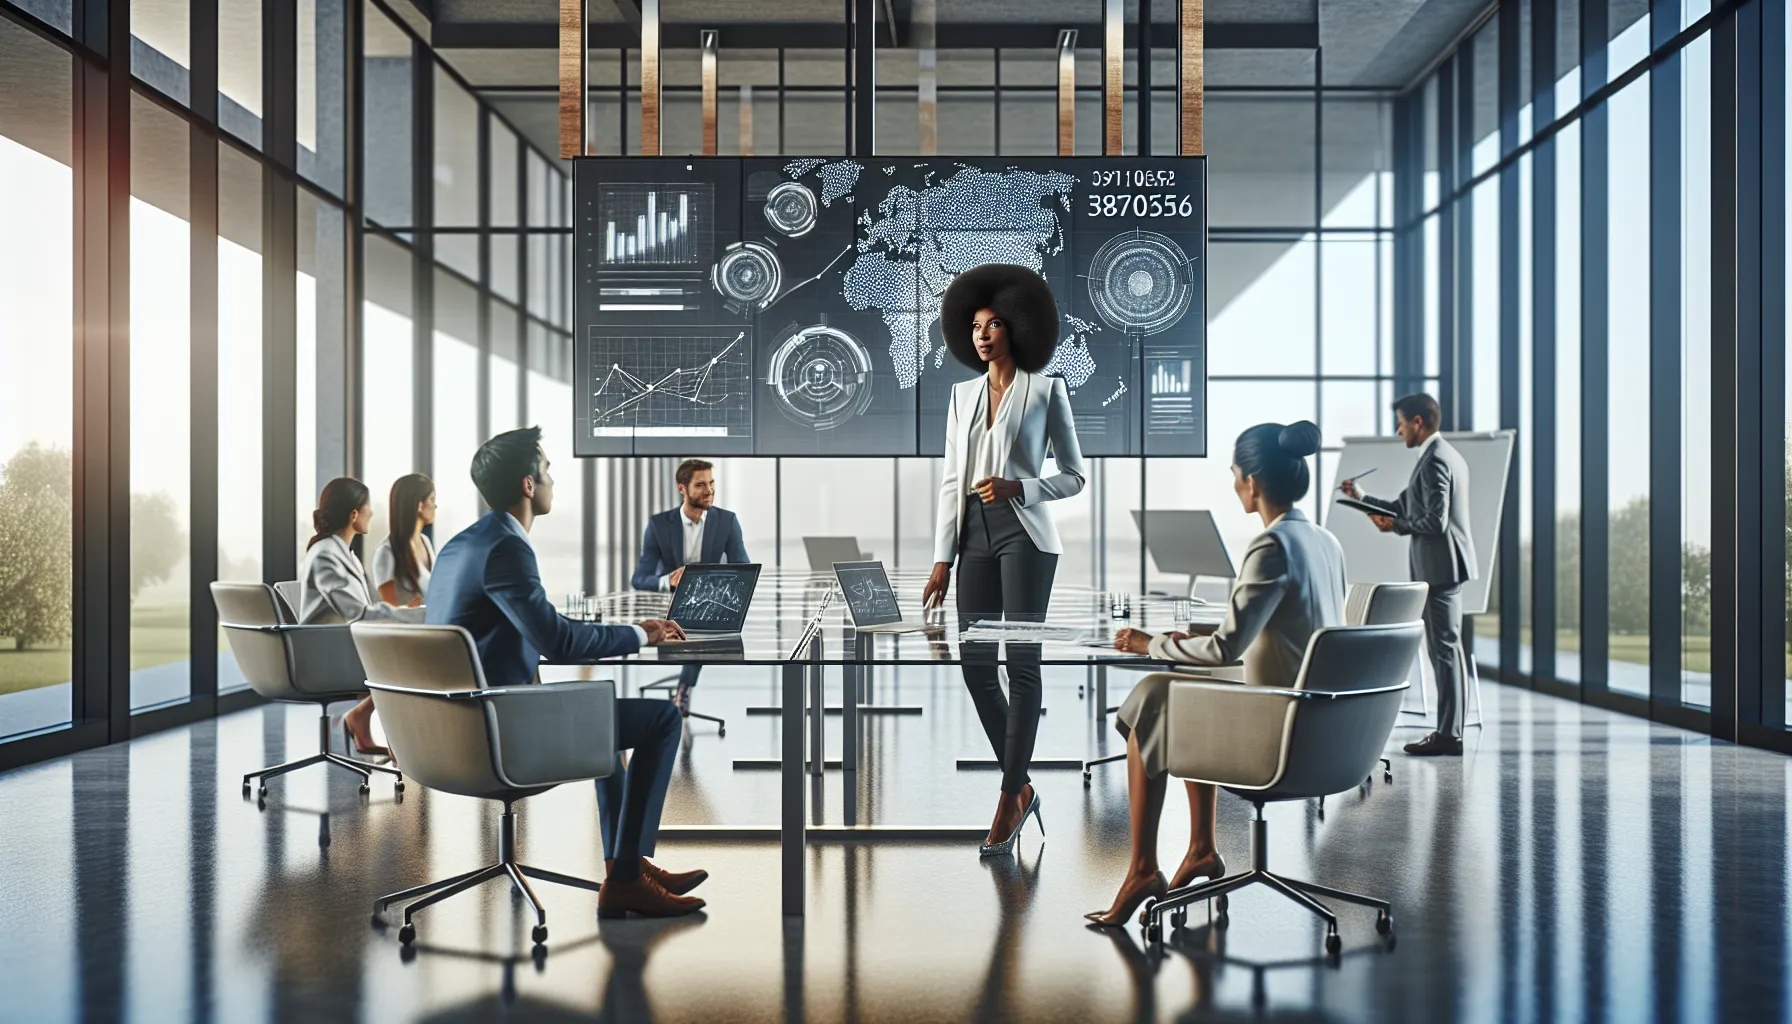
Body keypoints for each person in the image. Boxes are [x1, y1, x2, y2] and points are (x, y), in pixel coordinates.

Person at [426, 426, 706, 918]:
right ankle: (624, 879)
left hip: (455, 726)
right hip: (502, 731)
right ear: (529, 485)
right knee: (662, 720)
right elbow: (557, 641)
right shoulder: (507, 549)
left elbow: (539, 627)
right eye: (548, 470)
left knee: (603, 723)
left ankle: (629, 867)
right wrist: (642, 634)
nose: (552, 478)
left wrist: (617, 629)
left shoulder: (461, 545)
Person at [1086, 421, 1343, 926]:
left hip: (1280, 732)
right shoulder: (1323, 542)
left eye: (1233, 474)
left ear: (1252, 482)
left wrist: (1149, 643)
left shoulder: (1272, 547)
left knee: (1151, 700)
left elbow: (1229, 645)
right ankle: (1201, 846)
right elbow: (1277, 626)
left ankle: (1142, 869)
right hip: (1323, 725)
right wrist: (1183, 640)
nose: (1232, 485)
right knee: (1177, 691)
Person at [922, 263, 1087, 857]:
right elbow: (950, 479)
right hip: (973, 537)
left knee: (1021, 663)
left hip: (1024, 535)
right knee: (974, 665)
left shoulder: (1046, 390)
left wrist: (1024, 487)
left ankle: (1008, 793)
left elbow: (1074, 476)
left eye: (993, 324)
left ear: (1016, 327)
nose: (983, 334)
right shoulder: (961, 395)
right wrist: (942, 558)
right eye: (974, 326)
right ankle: (1021, 788)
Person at [1341, 393, 1477, 757]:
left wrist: (1397, 526)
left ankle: (1449, 736)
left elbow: (1435, 520)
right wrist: (1363, 497)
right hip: (1443, 567)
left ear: (1418, 421)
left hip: (1440, 569)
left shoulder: (1434, 460)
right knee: (1448, 650)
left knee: (1444, 652)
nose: (1398, 429)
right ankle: (1450, 732)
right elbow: (1405, 506)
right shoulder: (1439, 456)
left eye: (1401, 422)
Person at [298, 476, 425, 758]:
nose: (372, 513)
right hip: (325, 655)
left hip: (342, 644)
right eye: (368, 508)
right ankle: (402, 744)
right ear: (354, 514)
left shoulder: (346, 554)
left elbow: (361, 609)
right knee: (409, 659)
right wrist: (408, 615)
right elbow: (358, 612)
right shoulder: (325, 556)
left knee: (409, 655)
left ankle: (366, 723)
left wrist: (401, 614)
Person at [629, 458, 749, 715]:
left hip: (711, 604)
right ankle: (684, 688)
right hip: (669, 605)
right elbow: (640, 578)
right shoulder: (659, 525)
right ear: (681, 488)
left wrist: (720, 585)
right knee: (692, 631)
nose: (709, 491)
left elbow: (743, 569)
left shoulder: (727, 521)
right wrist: (667, 581)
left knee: (699, 628)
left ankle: (683, 688)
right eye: (701, 484)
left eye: (712, 483)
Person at [372, 473, 436, 608]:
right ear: (419, 505)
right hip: (410, 627)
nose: (435, 506)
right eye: (432, 499)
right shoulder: (386, 552)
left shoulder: (425, 542)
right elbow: (391, 612)